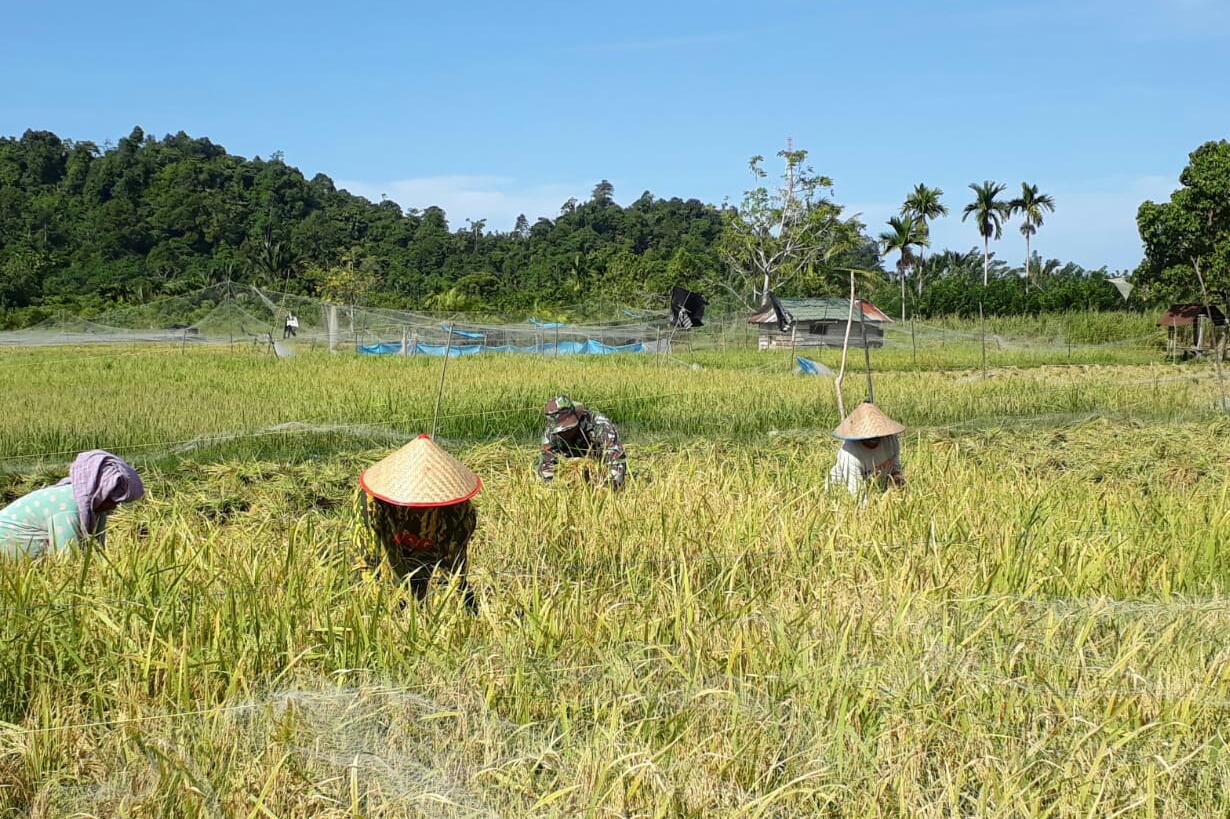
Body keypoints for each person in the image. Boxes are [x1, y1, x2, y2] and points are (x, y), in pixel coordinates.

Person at [356, 434, 482, 610]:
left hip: (428, 562)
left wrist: (449, 608)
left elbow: (452, 569)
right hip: (388, 564)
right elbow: (373, 561)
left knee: (458, 606)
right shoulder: (373, 505)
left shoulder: (460, 512)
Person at [0, 450, 145, 559]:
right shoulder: (69, 506)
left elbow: (97, 550)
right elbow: (67, 560)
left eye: (119, 501)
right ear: (98, 491)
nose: (114, 507)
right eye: (111, 500)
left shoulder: (97, 508)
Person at [535, 395, 627, 489]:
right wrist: (553, 487)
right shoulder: (551, 435)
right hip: (570, 468)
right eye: (562, 431)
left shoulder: (600, 425)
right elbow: (545, 464)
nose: (566, 433)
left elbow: (616, 458)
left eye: (569, 429)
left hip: (599, 467)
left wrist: (607, 487)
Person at [828, 401, 906, 497]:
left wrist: (897, 484)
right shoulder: (849, 454)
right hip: (842, 492)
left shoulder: (891, 440)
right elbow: (858, 495)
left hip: (874, 488)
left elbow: (895, 467)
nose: (874, 438)